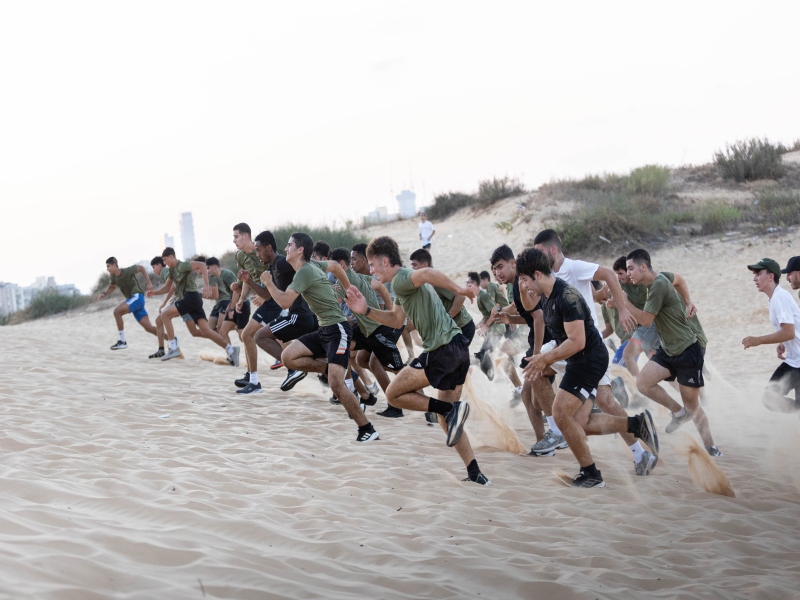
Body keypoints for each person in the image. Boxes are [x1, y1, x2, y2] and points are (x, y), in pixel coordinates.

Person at [344, 235, 491, 485]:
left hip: (442, 351)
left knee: (393, 394)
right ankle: (475, 472)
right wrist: (365, 311)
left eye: (372, 264)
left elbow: (426, 273)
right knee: (449, 421)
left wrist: (460, 290)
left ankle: (449, 410)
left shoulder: (402, 278)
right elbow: (395, 319)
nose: (370, 270)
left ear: (386, 261)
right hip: (457, 350)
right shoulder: (401, 288)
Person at [516, 248, 659, 488]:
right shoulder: (548, 295)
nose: (526, 287)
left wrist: (545, 358)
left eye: (526, 280)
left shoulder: (566, 297)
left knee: (561, 413)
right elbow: (529, 306)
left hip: (589, 359)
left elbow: (577, 341)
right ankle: (636, 424)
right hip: (578, 358)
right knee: (580, 423)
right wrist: (523, 288)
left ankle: (591, 473)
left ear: (538, 275)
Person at [260, 232, 380, 443]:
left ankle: (367, 429)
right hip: (324, 330)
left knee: (336, 384)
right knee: (288, 357)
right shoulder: (312, 266)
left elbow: (286, 302)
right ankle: (331, 368)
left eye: (289, 245)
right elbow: (334, 265)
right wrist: (347, 286)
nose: (286, 248)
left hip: (338, 329)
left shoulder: (305, 271)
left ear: (300, 250)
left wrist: (269, 283)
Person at [623, 249, 721, 456]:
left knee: (694, 406)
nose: (628, 273)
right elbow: (680, 280)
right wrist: (687, 301)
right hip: (668, 350)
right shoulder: (657, 280)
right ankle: (678, 412)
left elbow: (646, 320)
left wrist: (625, 303)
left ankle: (712, 448)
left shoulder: (658, 284)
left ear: (643, 267)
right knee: (643, 383)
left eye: (631, 268)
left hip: (687, 351)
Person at [490, 244, 555, 455]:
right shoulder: (515, 285)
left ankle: (554, 435)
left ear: (512, 263)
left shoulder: (521, 281)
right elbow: (530, 317)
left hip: (549, 342)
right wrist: (510, 318)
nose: (497, 273)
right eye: (494, 270)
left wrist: (536, 354)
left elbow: (540, 318)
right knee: (528, 396)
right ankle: (544, 442)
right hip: (542, 342)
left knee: (533, 394)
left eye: (500, 267)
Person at [238, 230, 319, 395]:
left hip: (300, 314)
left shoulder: (282, 262)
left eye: (259, 250)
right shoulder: (273, 267)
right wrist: (249, 281)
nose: (258, 254)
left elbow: (306, 267)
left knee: (260, 336)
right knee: (320, 355)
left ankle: (293, 368)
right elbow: (267, 296)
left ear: (268, 248)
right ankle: (347, 379)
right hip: (305, 315)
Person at [148, 247, 240, 365]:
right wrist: (153, 293)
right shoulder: (171, 270)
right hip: (194, 300)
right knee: (206, 331)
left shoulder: (182, 265)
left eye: (165, 260)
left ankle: (173, 347)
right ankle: (231, 350)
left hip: (191, 297)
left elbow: (202, 265)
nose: (164, 263)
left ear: (171, 257)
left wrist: (206, 284)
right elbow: (167, 287)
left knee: (165, 315)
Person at [229, 223, 282, 393]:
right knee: (249, 336)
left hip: (276, 298)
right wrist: (241, 298)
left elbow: (275, 277)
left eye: (236, 236)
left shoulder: (263, 253)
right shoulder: (240, 256)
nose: (233, 240)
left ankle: (255, 379)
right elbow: (248, 278)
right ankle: (251, 376)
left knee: (249, 335)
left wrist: (264, 293)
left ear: (246, 237)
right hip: (266, 299)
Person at [742, 258, 800, 413]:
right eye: (754, 274)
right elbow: (791, 330)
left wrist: (758, 340)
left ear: (770, 276)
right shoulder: (774, 298)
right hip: (794, 362)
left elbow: (788, 332)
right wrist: (785, 342)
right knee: (769, 397)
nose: (754, 278)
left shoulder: (780, 297)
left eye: (758, 274)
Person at [467, 271, 524, 402]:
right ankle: (515, 384)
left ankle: (492, 372)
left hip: (501, 324)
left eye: (472, 283)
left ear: (483, 281)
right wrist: (476, 326)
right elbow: (491, 312)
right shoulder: (490, 292)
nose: (497, 276)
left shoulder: (488, 290)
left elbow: (494, 310)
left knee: (496, 353)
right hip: (506, 321)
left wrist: (487, 325)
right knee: (505, 353)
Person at [97, 257, 157, 349]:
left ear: (114, 264)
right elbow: (112, 287)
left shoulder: (126, 271)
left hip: (137, 297)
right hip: (134, 302)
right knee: (149, 328)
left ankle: (122, 341)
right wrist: (104, 293)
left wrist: (149, 283)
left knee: (117, 312)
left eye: (108, 266)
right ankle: (172, 340)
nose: (107, 269)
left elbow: (141, 268)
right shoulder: (113, 277)